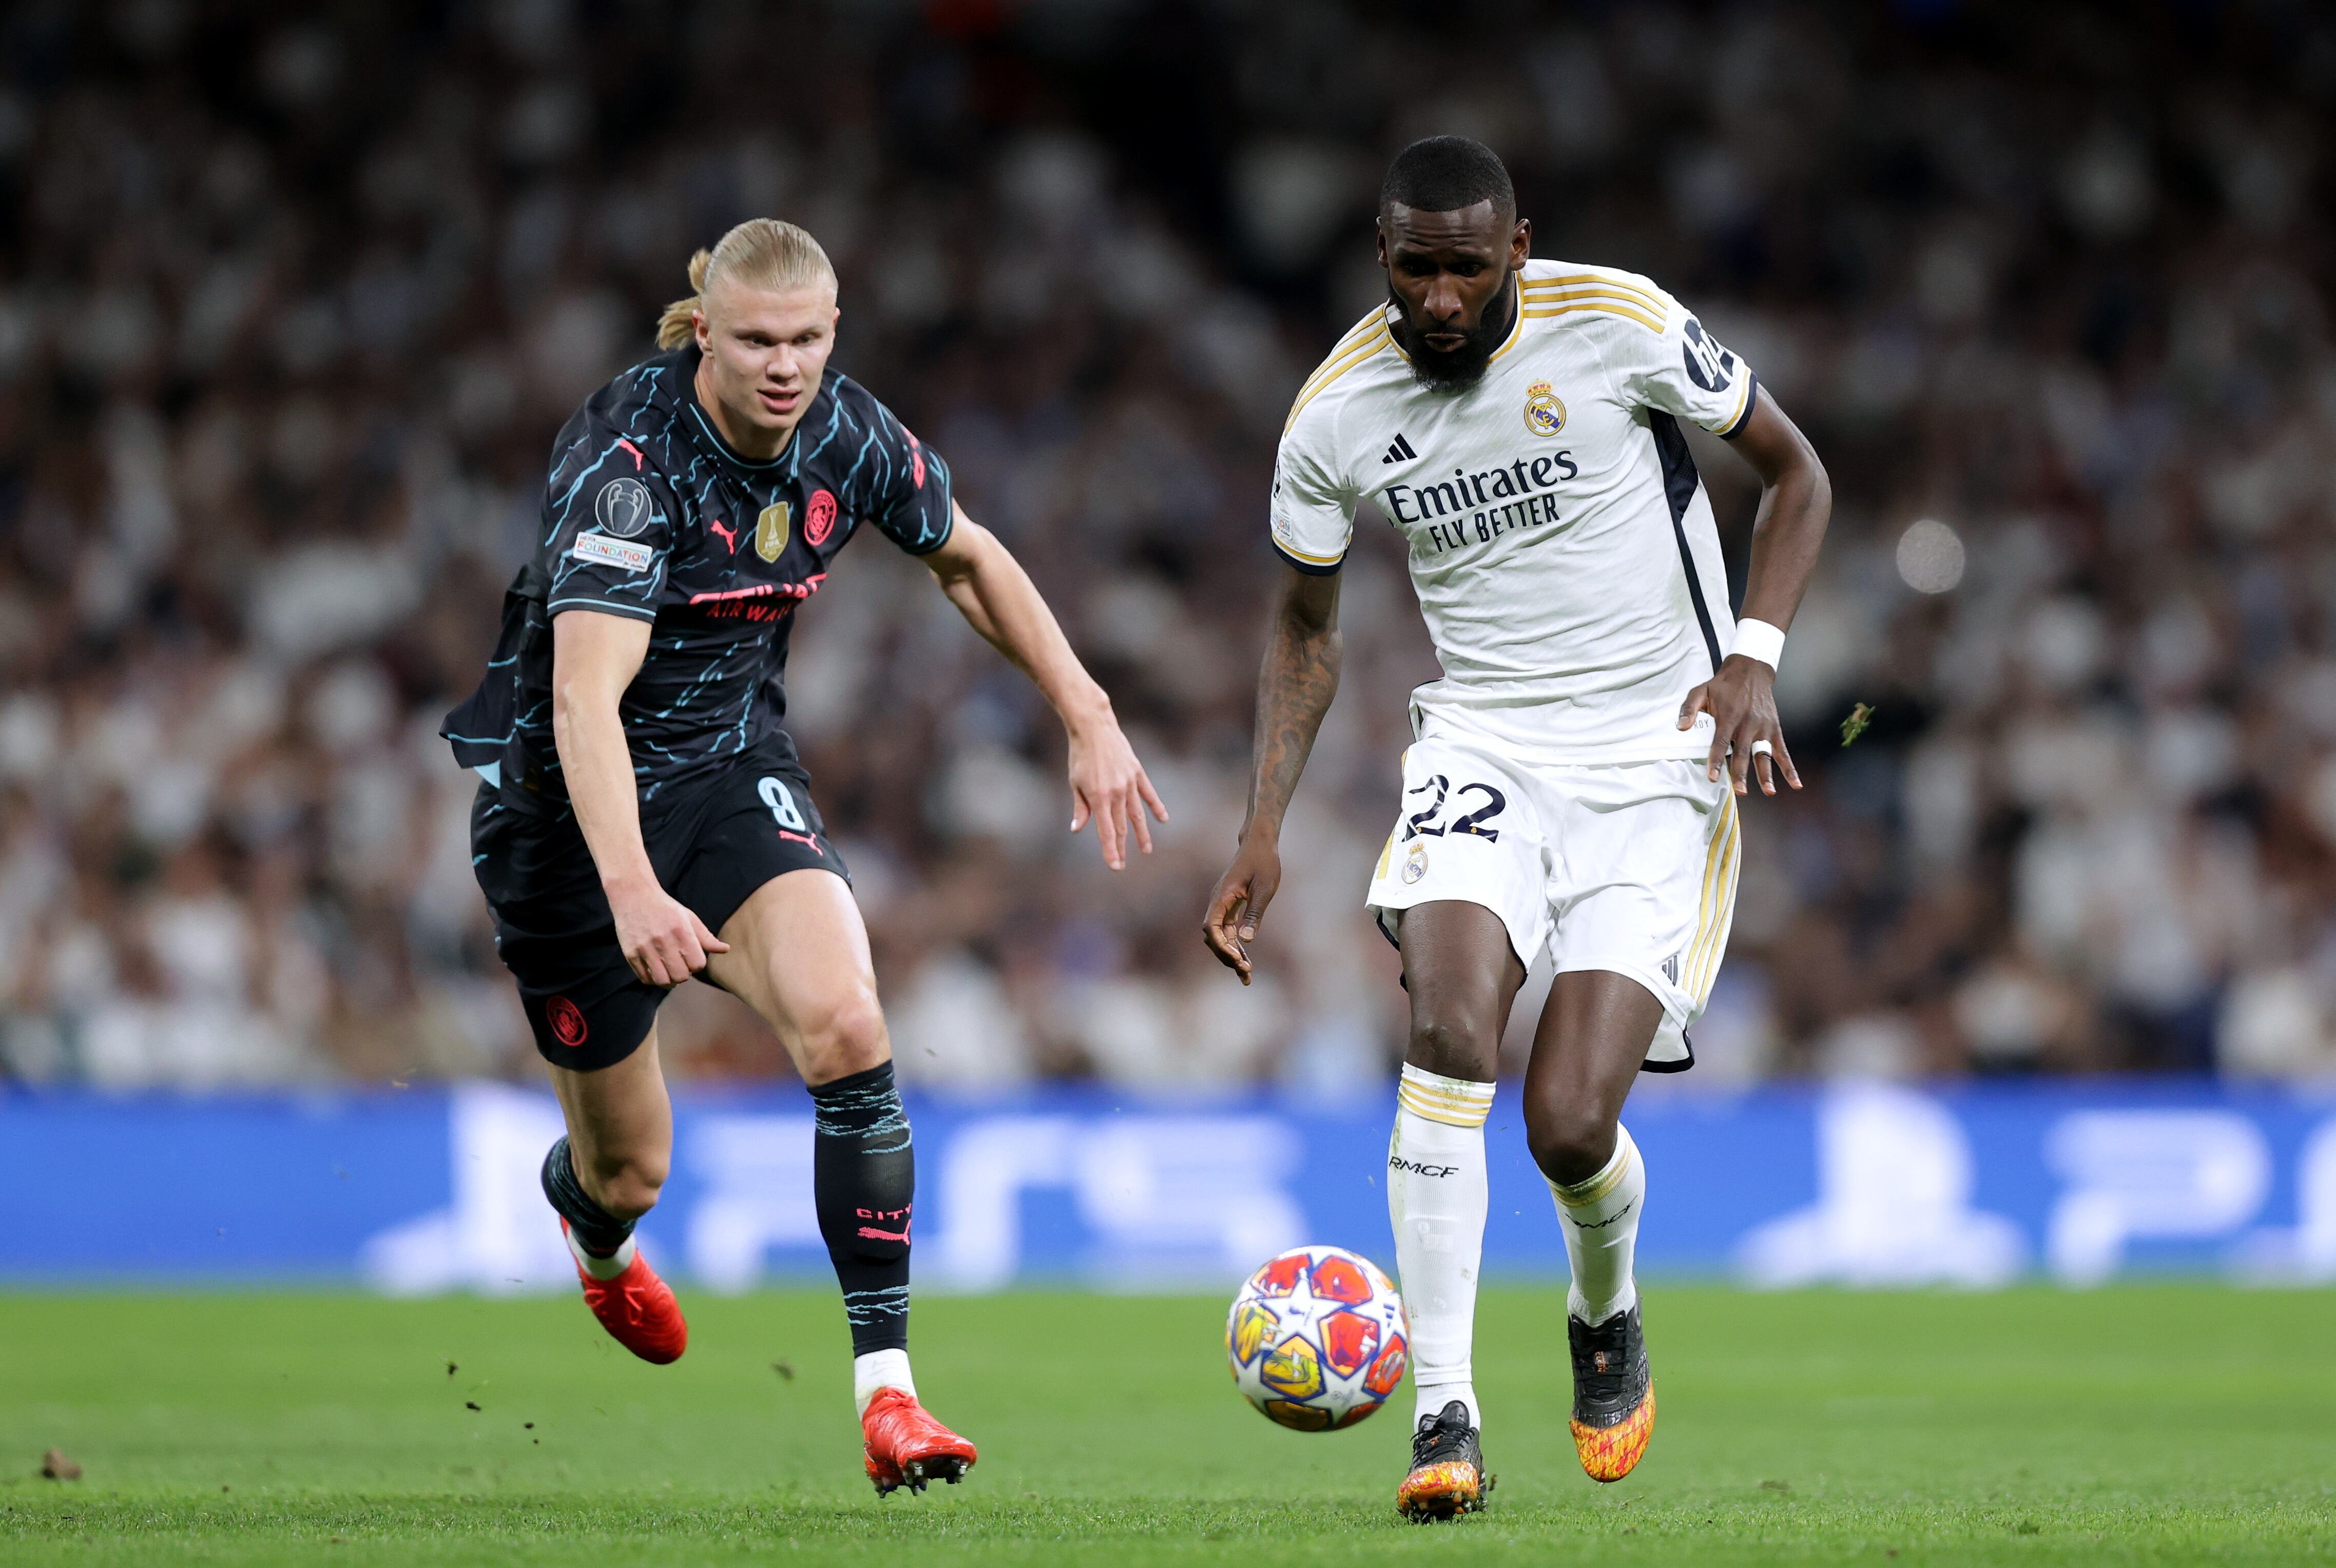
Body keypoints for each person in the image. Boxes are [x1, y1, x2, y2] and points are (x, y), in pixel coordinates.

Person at [443, 219, 1166, 1496]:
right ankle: (590, 1226)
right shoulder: (631, 467)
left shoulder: (847, 431)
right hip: (571, 825)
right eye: (759, 342)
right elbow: (579, 708)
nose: (786, 368)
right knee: (633, 1169)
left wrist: (1088, 712)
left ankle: (889, 1398)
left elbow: (971, 559)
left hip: (729, 778)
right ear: (704, 332)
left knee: (845, 1018)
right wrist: (630, 890)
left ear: (835, 333)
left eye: (808, 341)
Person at [1201, 138, 1830, 1518]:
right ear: (1382, 253)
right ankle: (1444, 1414)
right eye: (1413, 267)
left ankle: (1604, 1316)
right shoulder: (1336, 416)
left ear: (1517, 252)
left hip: (1658, 758)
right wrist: (1263, 829)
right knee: (1446, 1033)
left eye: (1464, 269)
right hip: (1483, 742)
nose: (1436, 298)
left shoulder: (1617, 325)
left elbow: (1796, 475)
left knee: (1564, 1124)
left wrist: (1758, 656)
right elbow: (1305, 630)